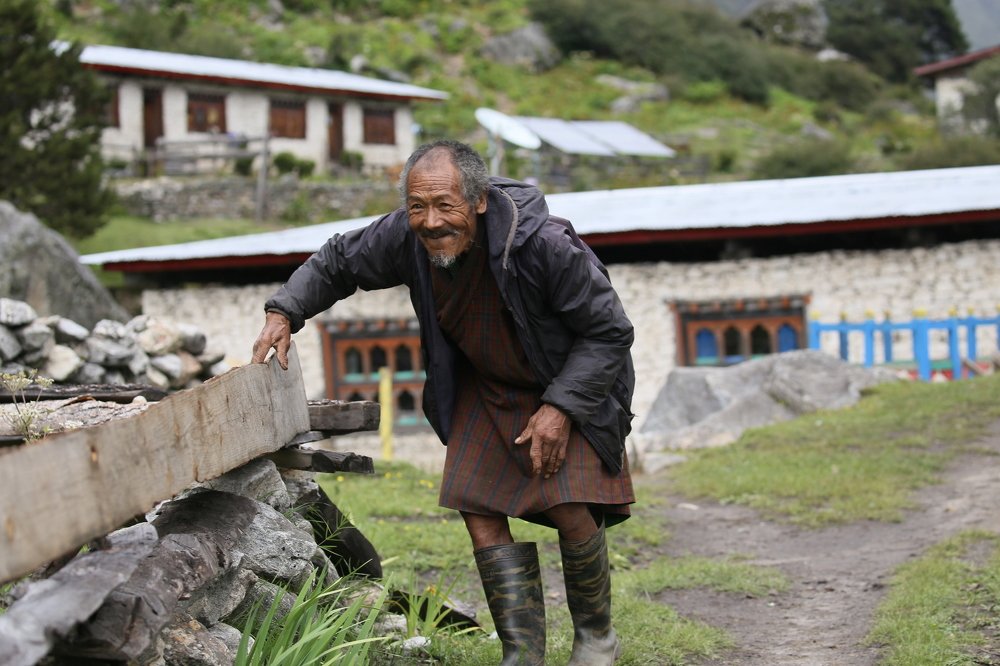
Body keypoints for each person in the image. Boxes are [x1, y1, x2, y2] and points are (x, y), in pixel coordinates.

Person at [252, 140, 635, 665]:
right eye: (417, 206)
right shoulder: (406, 238)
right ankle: (523, 654)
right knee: (479, 512)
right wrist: (284, 312)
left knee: (569, 507)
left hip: (563, 384)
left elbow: (609, 332)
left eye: (445, 205)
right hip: (483, 386)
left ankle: (596, 637)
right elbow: (340, 261)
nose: (430, 222)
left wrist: (562, 409)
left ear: (478, 200)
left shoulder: (545, 245)